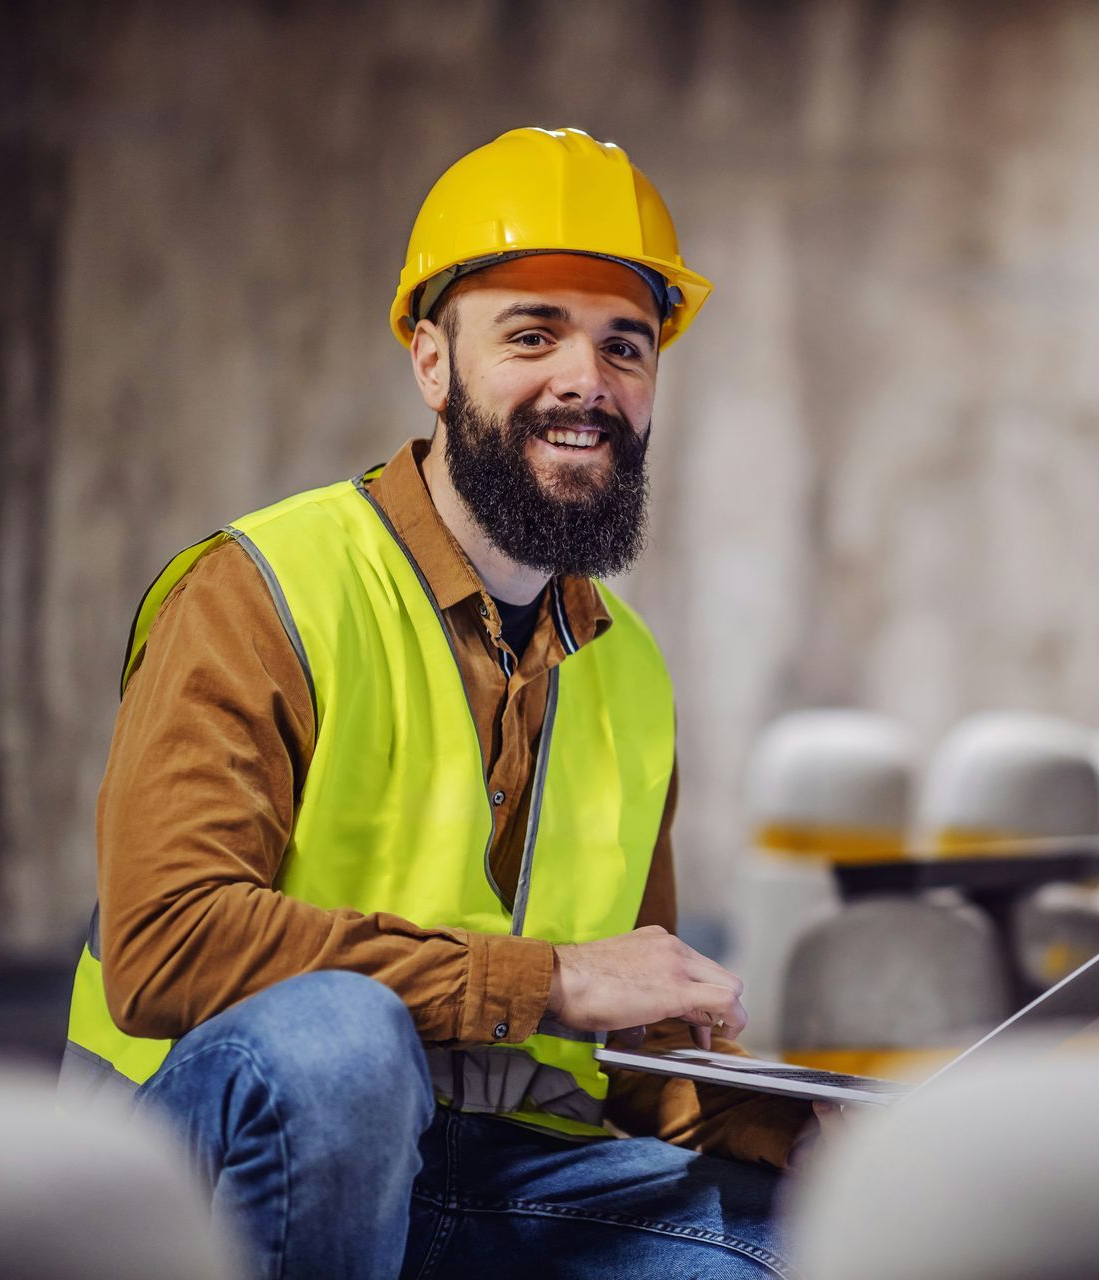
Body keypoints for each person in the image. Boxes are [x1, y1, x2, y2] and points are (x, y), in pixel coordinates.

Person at [60, 126, 824, 1279]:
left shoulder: (629, 671)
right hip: (199, 1178)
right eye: (533, 334)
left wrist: (802, 1133)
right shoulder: (263, 589)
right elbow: (165, 944)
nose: (588, 381)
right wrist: (553, 979)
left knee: (818, 1243)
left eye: (627, 346)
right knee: (340, 1041)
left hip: (491, 1179)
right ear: (431, 361)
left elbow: (639, 1052)